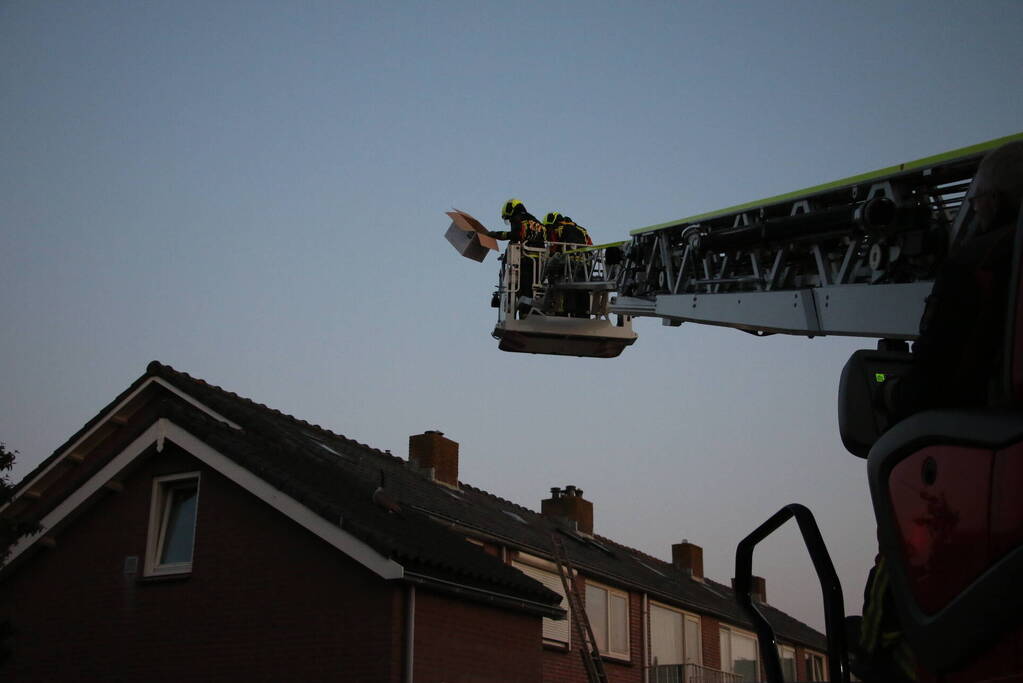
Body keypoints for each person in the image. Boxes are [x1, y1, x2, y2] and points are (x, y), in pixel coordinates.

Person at [886, 141, 1023, 416]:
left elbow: (935, 374)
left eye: (977, 199)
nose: (974, 209)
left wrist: (892, 395)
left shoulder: (977, 264)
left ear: (995, 200)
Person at [484, 199, 549, 315]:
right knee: (536, 290)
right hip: (540, 263)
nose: (510, 221)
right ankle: (535, 312)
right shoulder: (537, 222)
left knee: (523, 291)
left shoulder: (517, 219)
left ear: (511, 210)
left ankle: (525, 314)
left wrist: (496, 235)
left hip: (526, 261)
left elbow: (515, 236)